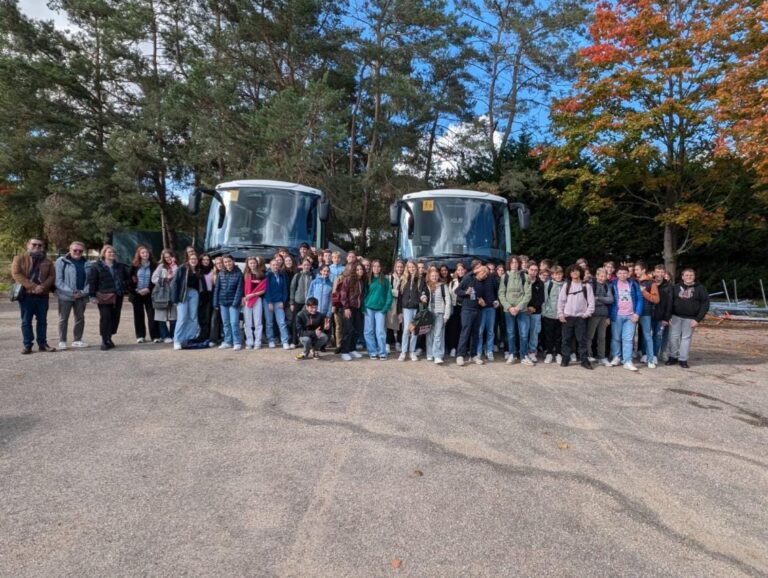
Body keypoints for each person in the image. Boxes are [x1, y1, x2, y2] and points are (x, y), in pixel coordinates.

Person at [12, 238, 56, 354]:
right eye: (34, 244)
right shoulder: (19, 258)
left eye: (39, 245)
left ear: (42, 247)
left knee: (42, 321)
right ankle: (27, 345)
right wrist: (33, 287)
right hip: (26, 295)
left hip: (43, 295)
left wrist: (42, 287)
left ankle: (43, 344)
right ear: (28, 245)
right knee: (26, 321)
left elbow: (51, 276)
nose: (37, 247)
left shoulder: (48, 261)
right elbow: (16, 274)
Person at [88, 244, 131, 351]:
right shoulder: (97, 266)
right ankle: (104, 340)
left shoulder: (120, 266)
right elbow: (92, 281)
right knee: (105, 317)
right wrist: (92, 295)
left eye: (113, 252)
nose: (112, 254)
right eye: (109, 252)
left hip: (118, 296)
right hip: (104, 296)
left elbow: (128, 279)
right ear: (104, 254)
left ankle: (109, 338)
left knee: (115, 318)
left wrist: (124, 285)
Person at [667, 268, 709, 368]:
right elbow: (670, 302)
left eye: (691, 275)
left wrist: (697, 319)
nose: (689, 277)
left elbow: (705, 304)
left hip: (691, 318)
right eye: (686, 275)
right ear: (682, 277)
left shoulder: (700, 289)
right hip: (675, 316)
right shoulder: (676, 287)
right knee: (673, 337)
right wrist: (668, 316)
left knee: (686, 339)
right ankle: (673, 357)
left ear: (694, 277)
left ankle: (683, 359)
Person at [454, 262, 493, 366]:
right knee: (465, 332)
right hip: (467, 309)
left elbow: (487, 298)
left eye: (486, 274)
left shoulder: (484, 283)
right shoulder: (468, 278)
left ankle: (474, 355)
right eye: (483, 272)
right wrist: (465, 293)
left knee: (476, 334)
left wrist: (484, 303)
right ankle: (460, 355)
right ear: (478, 271)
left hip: (478, 310)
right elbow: (457, 291)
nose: (484, 275)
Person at [557, 264, 595, 369]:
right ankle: (565, 358)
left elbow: (591, 303)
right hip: (568, 317)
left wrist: (586, 314)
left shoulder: (586, 286)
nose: (575, 272)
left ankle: (584, 360)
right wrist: (561, 314)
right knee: (566, 339)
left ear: (580, 272)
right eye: (572, 271)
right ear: (569, 274)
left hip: (580, 318)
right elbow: (561, 301)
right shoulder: (567, 286)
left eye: (577, 271)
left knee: (582, 340)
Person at [55, 241, 90, 350]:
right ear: (70, 250)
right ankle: (62, 341)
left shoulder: (87, 263)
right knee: (63, 319)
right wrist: (71, 292)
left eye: (80, 251)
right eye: (75, 250)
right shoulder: (61, 261)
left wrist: (83, 292)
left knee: (80, 318)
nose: (77, 252)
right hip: (65, 296)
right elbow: (58, 281)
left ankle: (77, 340)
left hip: (81, 296)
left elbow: (90, 281)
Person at [609, 265, 643, 371]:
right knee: (616, 338)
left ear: (628, 274)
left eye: (625, 273)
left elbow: (640, 299)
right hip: (617, 315)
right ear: (617, 274)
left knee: (628, 339)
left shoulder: (633, 284)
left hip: (630, 316)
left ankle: (627, 361)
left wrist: (637, 313)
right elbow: (610, 301)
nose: (623, 275)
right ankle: (617, 357)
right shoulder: (612, 284)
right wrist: (609, 315)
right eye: (620, 273)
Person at [498, 256, 531, 365]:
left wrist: (518, 307)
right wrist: (509, 307)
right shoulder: (504, 277)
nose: (514, 264)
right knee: (511, 333)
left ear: (519, 264)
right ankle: (512, 354)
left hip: (522, 310)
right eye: (512, 263)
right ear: (509, 264)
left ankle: (524, 356)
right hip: (509, 310)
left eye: (516, 262)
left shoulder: (525, 276)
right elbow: (501, 294)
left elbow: (528, 295)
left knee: (524, 334)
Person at [172, 252, 205, 350]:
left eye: (195, 259)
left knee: (193, 317)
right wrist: (175, 298)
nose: (194, 260)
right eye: (192, 259)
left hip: (194, 294)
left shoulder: (199, 270)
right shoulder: (182, 269)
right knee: (182, 318)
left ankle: (189, 339)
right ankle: (177, 340)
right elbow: (174, 283)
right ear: (188, 260)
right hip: (183, 294)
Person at [397, 261, 427, 361]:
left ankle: (412, 351)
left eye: (413, 267)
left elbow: (424, 291)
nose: (411, 269)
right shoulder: (404, 279)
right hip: (406, 308)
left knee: (414, 330)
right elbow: (400, 298)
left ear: (416, 268)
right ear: (407, 268)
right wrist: (399, 312)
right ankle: (403, 352)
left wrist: (423, 296)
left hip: (416, 308)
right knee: (406, 330)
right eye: (409, 267)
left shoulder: (421, 279)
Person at [363, 260, 392, 360]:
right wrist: (363, 307)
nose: (376, 268)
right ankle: (372, 352)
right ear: (371, 268)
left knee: (380, 331)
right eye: (374, 266)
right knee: (368, 331)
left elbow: (389, 295)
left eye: (378, 266)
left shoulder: (385, 280)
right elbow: (363, 294)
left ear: (380, 268)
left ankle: (382, 352)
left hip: (380, 310)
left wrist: (385, 308)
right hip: (368, 308)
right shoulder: (367, 279)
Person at [130, 245, 159, 344]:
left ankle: (155, 336)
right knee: (138, 315)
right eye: (142, 253)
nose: (145, 254)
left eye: (146, 252)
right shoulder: (134, 266)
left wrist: (148, 289)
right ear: (139, 254)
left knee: (152, 315)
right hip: (137, 294)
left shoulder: (154, 265)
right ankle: (140, 336)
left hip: (150, 294)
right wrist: (137, 290)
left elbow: (156, 280)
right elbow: (130, 280)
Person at [214, 254, 244, 350]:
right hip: (223, 302)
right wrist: (215, 302)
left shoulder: (239, 273)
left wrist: (235, 303)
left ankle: (237, 342)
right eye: (225, 262)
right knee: (226, 323)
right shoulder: (221, 273)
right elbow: (217, 289)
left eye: (229, 261)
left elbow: (239, 290)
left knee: (234, 322)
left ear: (233, 261)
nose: (227, 263)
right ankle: (228, 341)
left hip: (233, 303)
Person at [585, 267, 614, 366]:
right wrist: (603, 300)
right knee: (590, 336)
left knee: (602, 337)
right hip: (593, 314)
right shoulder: (591, 285)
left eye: (604, 276)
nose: (603, 278)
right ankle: (588, 355)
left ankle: (602, 356)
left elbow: (611, 299)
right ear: (597, 276)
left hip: (604, 315)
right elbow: (590, 300)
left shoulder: (607, 285)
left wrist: (598, 298)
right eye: (601, 276)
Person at [635, 261, 660, 368]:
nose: (635, 272)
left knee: (647, 335)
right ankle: (626, 358)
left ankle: (650, 359)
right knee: (629, 336)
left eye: (637, 270)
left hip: (645, 312)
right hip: (633, 312)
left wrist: (644, 292)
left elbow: (656, 299)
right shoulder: (633, 281)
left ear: (643, 270)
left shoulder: (651, 283)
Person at [425, 266, 452, 365]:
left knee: (438, 334)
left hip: (440, 313)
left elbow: (448, 301)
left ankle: (437, 355)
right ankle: (429, 353)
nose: (434, 277)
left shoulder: (442, 286)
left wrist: (446, 315)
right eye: (432, 275)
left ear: (438, 276)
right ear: (429, 276)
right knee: (429, 334)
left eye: (436, 275)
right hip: (429, 313)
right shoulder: (427, 285)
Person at [475, 264, 500, 362]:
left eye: (488, 270)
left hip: (491, 308)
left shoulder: (492, 278)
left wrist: (497, 300)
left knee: (490, 331)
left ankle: (489, 350)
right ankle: (478, 351)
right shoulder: (476, 278)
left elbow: (498, 290)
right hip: (480, 308)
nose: (486, 272)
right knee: (480, 331)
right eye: (483, 270)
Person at [151, 249, 178, 343]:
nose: (168, 259)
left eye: (169, 257)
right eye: (166, 257)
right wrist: (163, 280)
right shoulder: (161, 266)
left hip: (173, 294)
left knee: (173, 316)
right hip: (162, 294)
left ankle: (173, 334)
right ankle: (165, 335)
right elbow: (153, 278)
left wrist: (174, 265)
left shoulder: (176, 266)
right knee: (161, 316)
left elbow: (178, 277)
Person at [339, 263, 365, 361]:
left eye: (361, 269)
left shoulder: (362, 281)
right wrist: (346, 307)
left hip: (358, 309)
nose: (359, 271)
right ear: (354, 270)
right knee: (348, 330)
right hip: (349, 308)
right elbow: (343, 294)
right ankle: (344, 351)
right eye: (357, 270)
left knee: (356, 330)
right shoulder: (348, 279)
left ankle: (352, 349)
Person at [264, 257, 290, 348]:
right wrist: (269, 302)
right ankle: (270, 340)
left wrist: (283, 301)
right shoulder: (267, 275)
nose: (275, 266)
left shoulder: (282, 275)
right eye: (273, 265)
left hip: (279, 302)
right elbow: (266, 290)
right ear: (270, 266)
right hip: (269, 302)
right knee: (269, 322)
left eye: (277, 265)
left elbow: (284, 290)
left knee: (282, 322)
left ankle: (285, 341)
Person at [243, 256, 267, 350]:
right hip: (247, 300)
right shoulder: (245, 275)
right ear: (248, 264)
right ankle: (249, 342)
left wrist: (253, 295)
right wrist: (245, 298)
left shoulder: (262, 275)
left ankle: (258, 342)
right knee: (247, 323)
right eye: (250, 263)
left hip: (257, 299)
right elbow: (242, 288)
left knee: (258, 322)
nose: (252, 264)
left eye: (254, 263)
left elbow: (263, 289)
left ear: (257, 263)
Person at [541, 265, 564, 364]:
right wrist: (544, 312)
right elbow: (545, 300)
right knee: (549, 335)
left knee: (559, 336)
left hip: (561, 315)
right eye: (555, 274)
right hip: (549, 315)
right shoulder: (548, 285)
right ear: (552, 275)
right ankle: (549, 353)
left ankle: (558, 353)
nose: (558, 276)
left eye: (559, 274)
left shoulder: (565, 285)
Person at [290, 258, 315, 346]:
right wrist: (292, 302)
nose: (306, 266)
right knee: (295, 321)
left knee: (308, 322)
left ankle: (306, 341)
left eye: (308, 265)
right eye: (304, 265)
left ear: (310, 266)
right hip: (298, 301)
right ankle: (294, 341)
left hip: (309, 303)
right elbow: (292, 289)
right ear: (301, 266)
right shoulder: (297, 276)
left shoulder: (313, 276)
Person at [651, 264, 673, 362]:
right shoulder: (650, 283)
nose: (659, 274)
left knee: (658, 336)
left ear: (664, 273)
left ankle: (655, 355)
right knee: (647, 336)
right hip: (649, 315)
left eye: (661, 272)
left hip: (661, 316)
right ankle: (647, 354)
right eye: (658, 272)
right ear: (654, 272)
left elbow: (670, 303)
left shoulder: (668, 286)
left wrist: (666, 318)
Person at [445, 262, 466, 358]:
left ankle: (461, 348)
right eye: (459, 270)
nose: (460, 271)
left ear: (465, 270)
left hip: (465, 307)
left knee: (463, 328)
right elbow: (449, 296)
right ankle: (453, 348)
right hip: (455, 307)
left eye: (462, 269)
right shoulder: (453, 282)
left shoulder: (468, 280)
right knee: (454, 328)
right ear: (456, 271)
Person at [525, 262, 545, 363]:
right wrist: (526, 307)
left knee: (534, 333)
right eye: (531, 270)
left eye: (535, 270)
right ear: (527, 270)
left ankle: (532, 351)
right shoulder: (523, 281)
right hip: (523, 310)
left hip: (536, 312)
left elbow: (541, 298)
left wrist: (533, 308)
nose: (533, 272)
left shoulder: (540, 283)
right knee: (523, 333)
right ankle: (523, 352)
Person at [385, 259, 404, 352]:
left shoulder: (405, 277)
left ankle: (398, 342)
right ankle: (388, 343)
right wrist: (397, 292)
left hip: (402, 303)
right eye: (398, 266)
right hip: (392, 303)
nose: (399, 268)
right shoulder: (390, 277)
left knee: (400, 323)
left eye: (401, 267)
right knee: (390, 323)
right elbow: (387, 290)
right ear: (395, 267)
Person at [198, 254, 215, 342]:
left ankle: (208, 335)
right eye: (204, 260)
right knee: (201, 316)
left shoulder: (213, 270)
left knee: (209, 316)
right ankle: (202, 334)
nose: (206, 261)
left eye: (207, 259)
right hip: (201, 295)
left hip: (210, 295)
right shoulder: (198, 271)